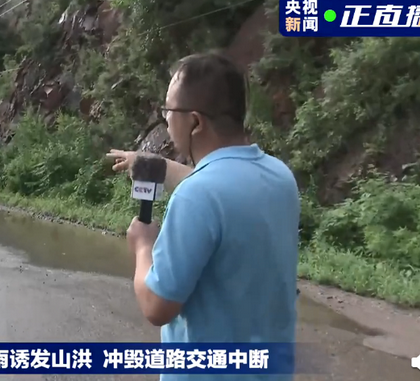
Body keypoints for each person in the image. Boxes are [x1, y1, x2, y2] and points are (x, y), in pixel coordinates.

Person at [107, 52, 300, 380]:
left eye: (168, 111)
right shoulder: (279, 176)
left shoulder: (196, 196)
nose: (166, 120)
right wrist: (156, 163)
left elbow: (158, 306)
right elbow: (222, 188)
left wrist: (142, 247)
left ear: (195, 121)